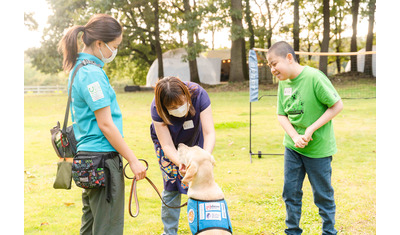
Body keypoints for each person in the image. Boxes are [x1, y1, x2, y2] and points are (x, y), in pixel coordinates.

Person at [58, 14, 147, 235]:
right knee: (107, 228)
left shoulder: (79, 69)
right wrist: (133, 161)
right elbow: (106, 124)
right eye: (114, 46)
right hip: (103, 161)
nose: (114, 52)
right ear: (100, 43)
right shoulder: (91, 74)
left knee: (90, 227)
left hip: (88, 159)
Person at [267, 41, 343, 235]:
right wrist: (294, 136)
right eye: (269, 66)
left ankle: (329, 232)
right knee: (290, 192)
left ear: (289, 58)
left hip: (318, 150)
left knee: (322, 195)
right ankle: (292, 231)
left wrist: (310, 129)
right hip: (293, 148)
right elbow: (281, 114)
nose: (272, 69)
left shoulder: (314, 77)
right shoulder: (283, 83)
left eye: (274, 63)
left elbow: (336, 106)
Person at [150, 76, 216, 235]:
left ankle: (205, 228)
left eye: (180, 103)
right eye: (172, 107)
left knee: (200, 183)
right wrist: (181, 162)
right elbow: (166, 145)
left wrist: (204, 158)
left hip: (193, 139)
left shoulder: (199, 94)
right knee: (171, 187)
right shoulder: (156, 107)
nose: (178, 108)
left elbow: (209, 132)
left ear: (186, 95)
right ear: (164, 106)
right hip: (169, 144)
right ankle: (169, 232)